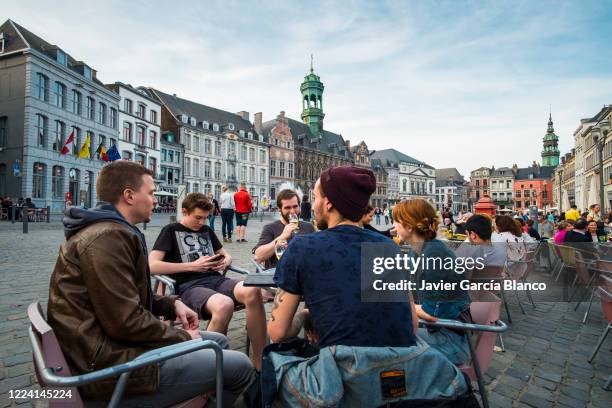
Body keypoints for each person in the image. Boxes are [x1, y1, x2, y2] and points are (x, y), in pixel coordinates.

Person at [47, 161, 253, 406]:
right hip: (107, 365)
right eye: (152, 193)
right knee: (240, 366)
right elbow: (125, 322)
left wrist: (170, 305)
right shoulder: (107, 237)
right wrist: (183, 337)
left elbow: (122, 299)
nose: (156, 200)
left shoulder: (112, 231)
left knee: (218, 341)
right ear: (129, 196)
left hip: (106, 347)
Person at [268, 166, 418, 348]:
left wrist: (305, 315)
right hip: (399, 368)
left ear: (328, 203)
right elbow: (412, 325)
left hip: (339, 370)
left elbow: (277, 332)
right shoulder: (389, 248)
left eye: (316, 197)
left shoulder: (302, 247)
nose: (313, 206)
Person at [149, 193, 266, 371]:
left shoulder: (206, 231)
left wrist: (226, 260)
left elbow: (225, 253)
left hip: (216, 280)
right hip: (189, 286)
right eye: (198, 217)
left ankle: (260, 364)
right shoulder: (171, 230)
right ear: (184, 212)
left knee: (252, 290)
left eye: (205, 218)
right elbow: (152, 266)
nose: (202, 222)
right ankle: (209, 372)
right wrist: (192, 266)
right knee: (224, 304)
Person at [393, 199, 471, 365]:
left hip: (449, 342)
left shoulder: (433, 256)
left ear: (409, 226)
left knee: (383, 341)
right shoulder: (419, 251)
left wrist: (401, 304)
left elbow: (432, 313)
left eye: (396, 221)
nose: (393, 226)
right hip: (437, 332)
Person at [253, 189, 315, 269]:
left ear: (299, 206)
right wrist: (282, 236)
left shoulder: (308, 227)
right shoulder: (270, 228)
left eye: (295, 206)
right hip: (278, 278)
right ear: (279, 209)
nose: (292, 211)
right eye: (287, 208)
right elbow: (258, 257)